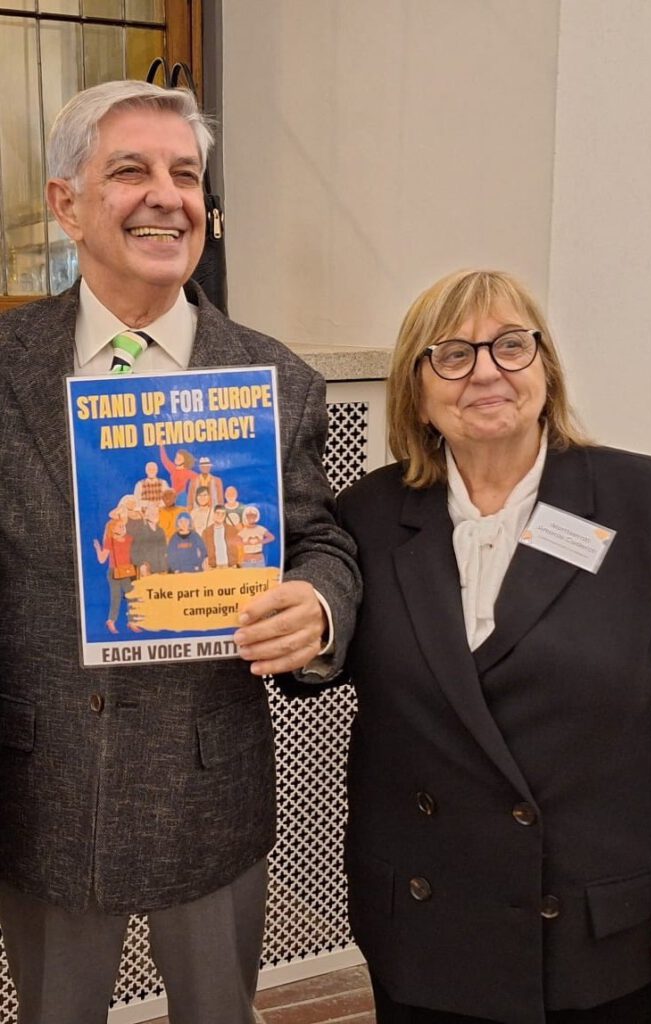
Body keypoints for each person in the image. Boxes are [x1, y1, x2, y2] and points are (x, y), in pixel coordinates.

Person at [0, 80, 359, 1024]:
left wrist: (317, 606)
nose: (167, 197)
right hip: (43, 783)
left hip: (206, 783)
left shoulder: (275, 378)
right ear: (66, 203)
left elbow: (319, 539)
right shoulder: (5, 366)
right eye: (131, 170)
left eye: (187, 175)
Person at [336, 269, 651, 1024]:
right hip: (425, 915)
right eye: (452, 355)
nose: (486, 372)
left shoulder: (650, 501)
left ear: (545, 368)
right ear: (416, 389)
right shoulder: (368, 513)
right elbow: (323, 659)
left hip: (592, 924)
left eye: (511, 346)